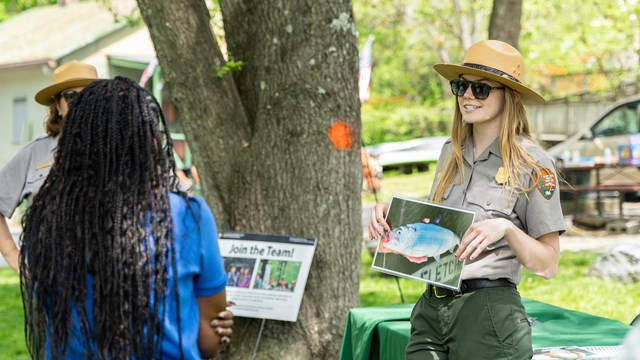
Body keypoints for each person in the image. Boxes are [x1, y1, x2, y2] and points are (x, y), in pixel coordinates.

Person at [368, 40, 566, 360]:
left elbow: (548, 264)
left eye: (481, 89)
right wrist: (395, 214)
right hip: (430, 308)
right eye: (461, 86)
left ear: (511, 97)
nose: (468, 96)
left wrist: (507, 229)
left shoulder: (533, 163)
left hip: (487, 314)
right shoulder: (451, 152)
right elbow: (437, 225)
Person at [19, 76, 230, 358]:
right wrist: (219, 330)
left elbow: (48, 317)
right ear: (149, 140)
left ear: (72, 142)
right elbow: (208, 341)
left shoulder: (47, 219)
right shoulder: (189, 216)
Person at [0, 61, 99, 274]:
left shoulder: (120, 151)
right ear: (57, 105)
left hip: (107, 286)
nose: (80, 102)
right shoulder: (34, 154)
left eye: (89, 95)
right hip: (49, 286)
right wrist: (12, 255)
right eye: (71, 96)